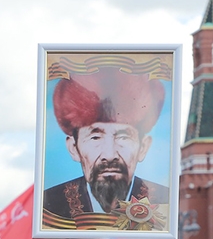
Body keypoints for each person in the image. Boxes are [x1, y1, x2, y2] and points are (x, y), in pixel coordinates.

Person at [43, 66, 170, 228]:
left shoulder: (166, 202)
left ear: (143, 147)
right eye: (95, 137)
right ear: (73, 148)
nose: (109, 155)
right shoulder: (51, 205)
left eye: (123, 136)